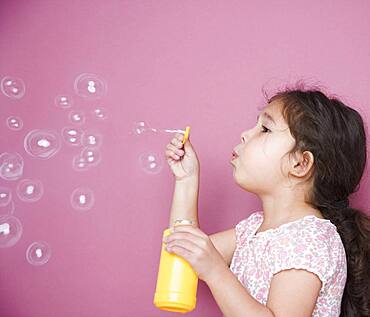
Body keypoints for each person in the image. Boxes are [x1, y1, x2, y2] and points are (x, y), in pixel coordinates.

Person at [162, 80, 370, 317]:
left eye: (265, 129)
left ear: (300, 163)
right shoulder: (253, 230)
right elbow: (182, 255)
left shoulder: (310, 241)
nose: (244, 134)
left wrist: (215, 271)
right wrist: (186, 180)